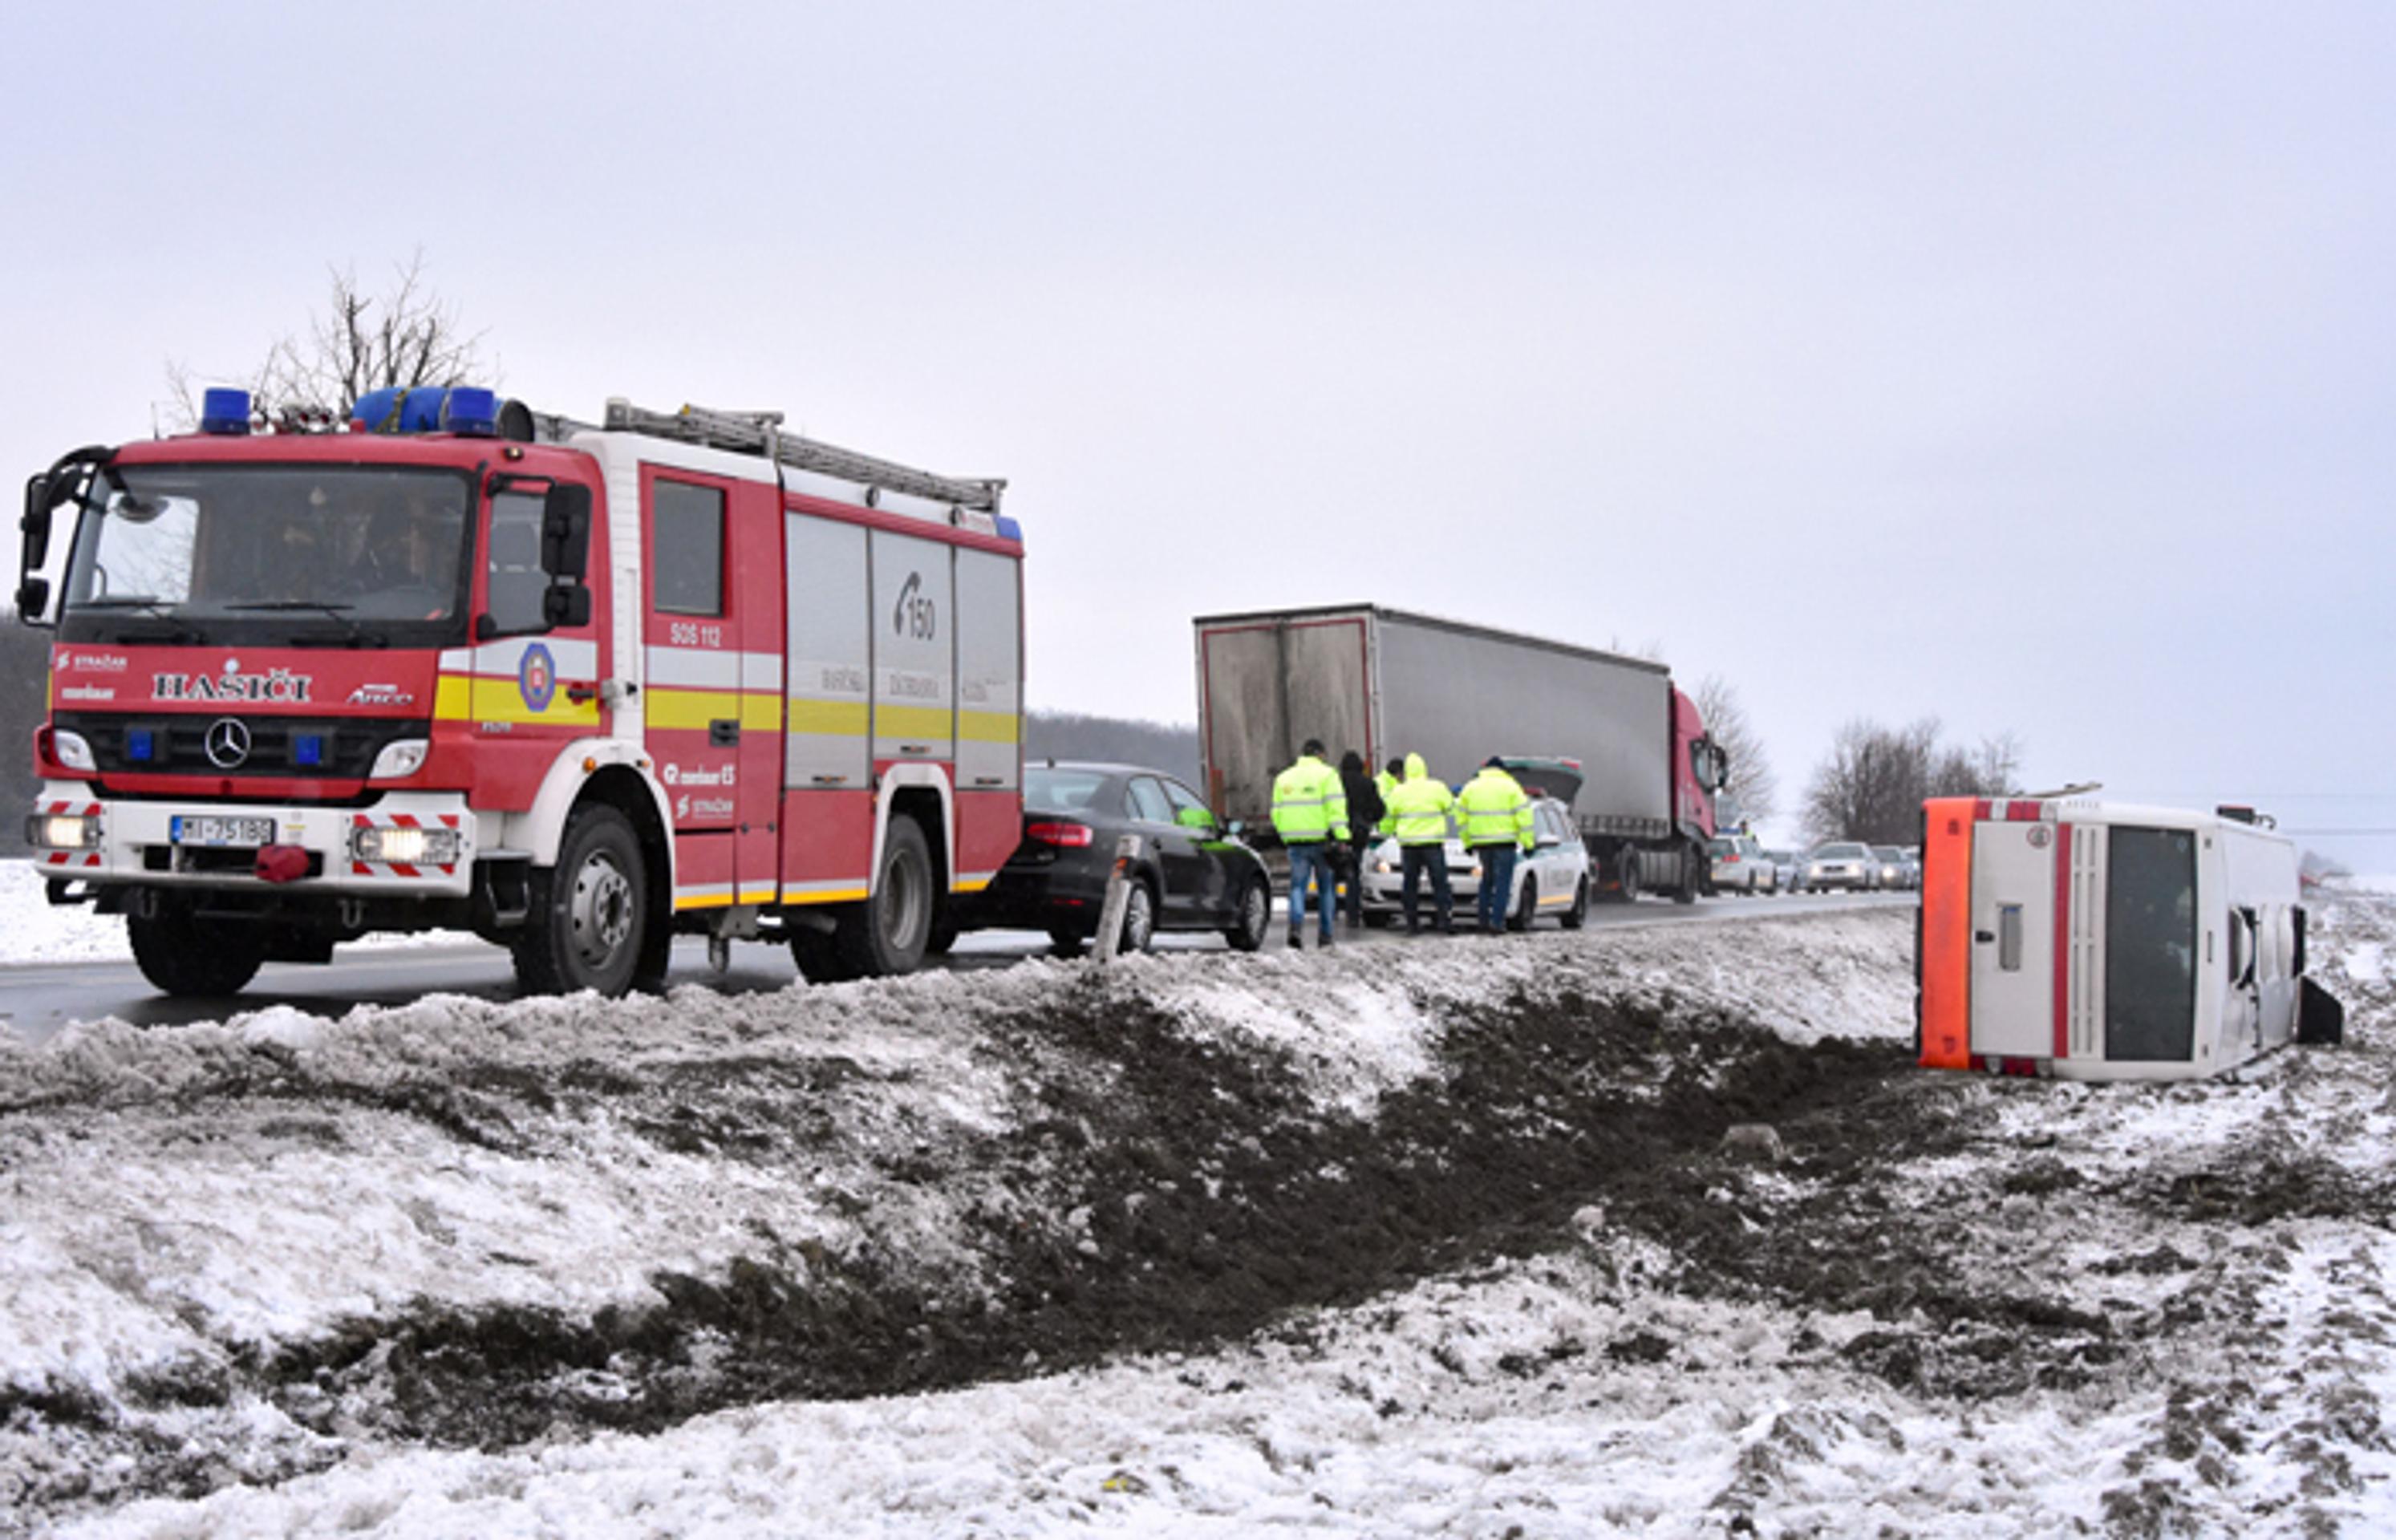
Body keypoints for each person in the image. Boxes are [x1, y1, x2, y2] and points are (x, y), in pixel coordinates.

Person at [1271, 738, 1349, 950]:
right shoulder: (1328, 775)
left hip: (1295, 842)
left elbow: (1276, 812)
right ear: (1320, 754)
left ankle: (1295, 929)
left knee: (1297, 887)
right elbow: (1336, 810)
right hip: (1323, 842)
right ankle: (1326, 935)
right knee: (1326, 889)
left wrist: (1285, 833)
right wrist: (1342, 837)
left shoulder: (1283, 778)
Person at [1456, 756, 1535, 934]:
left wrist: (1468, 842)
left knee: (1486, 882)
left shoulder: (1471, 788)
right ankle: (1497, 922)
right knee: (1503, 883)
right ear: (1502, 771)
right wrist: (1528, 843)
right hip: (1505, 843)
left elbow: (1461, 818)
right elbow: (1524, 818)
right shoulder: (1511, 787)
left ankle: (1483, 920)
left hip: (1482, 843)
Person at [1383, 752, 1457, 934]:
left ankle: (1412, 923)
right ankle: (1444, 920)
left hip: (1409, 845)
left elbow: (1389, 818)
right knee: (1439, 883)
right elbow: (1451, 809)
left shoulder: (1398, 791)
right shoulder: (1437, 788)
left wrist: (1385, 834)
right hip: (1433, 843)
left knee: (1410, 884)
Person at [1336, 750, 1384, 927]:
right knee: (1353, 874)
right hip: (1358, 834)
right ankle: (1353, 914)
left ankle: (1331, 910)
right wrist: (1368, 819)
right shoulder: (1367, 784)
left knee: (1331, 873)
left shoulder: (1335, 783)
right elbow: (1379, 809)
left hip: (1336, 833)